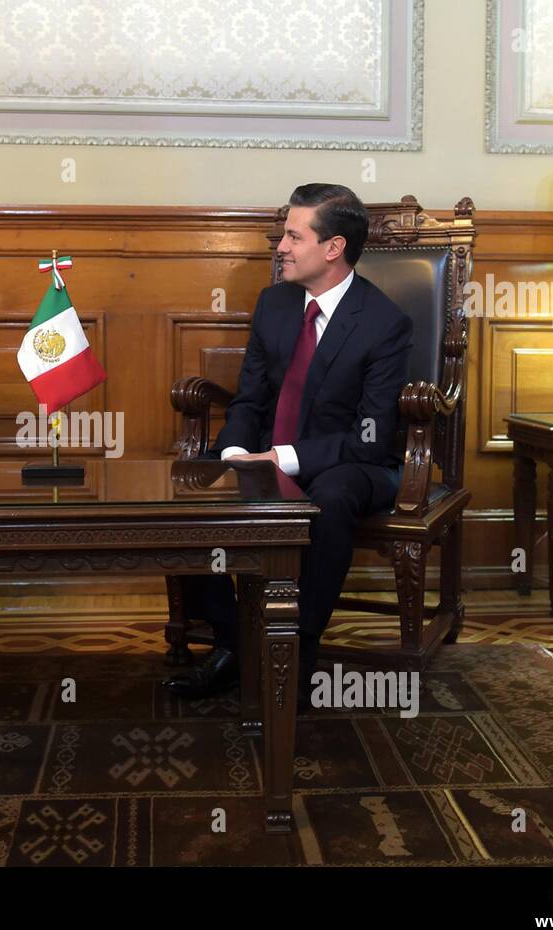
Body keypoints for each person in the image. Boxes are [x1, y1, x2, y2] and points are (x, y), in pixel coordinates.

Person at [163, 183, 412, 708]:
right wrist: (232, 454)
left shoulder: (384, 323)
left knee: (336, 495)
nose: (280, 247)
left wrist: (281, 458)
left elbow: (372, 434)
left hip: (352, 462)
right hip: (265, 450)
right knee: (184, 488)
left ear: (333, 248)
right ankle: (235, 642)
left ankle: (297, 651)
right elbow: (250, 398)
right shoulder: (274, 304)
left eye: (293, 236)